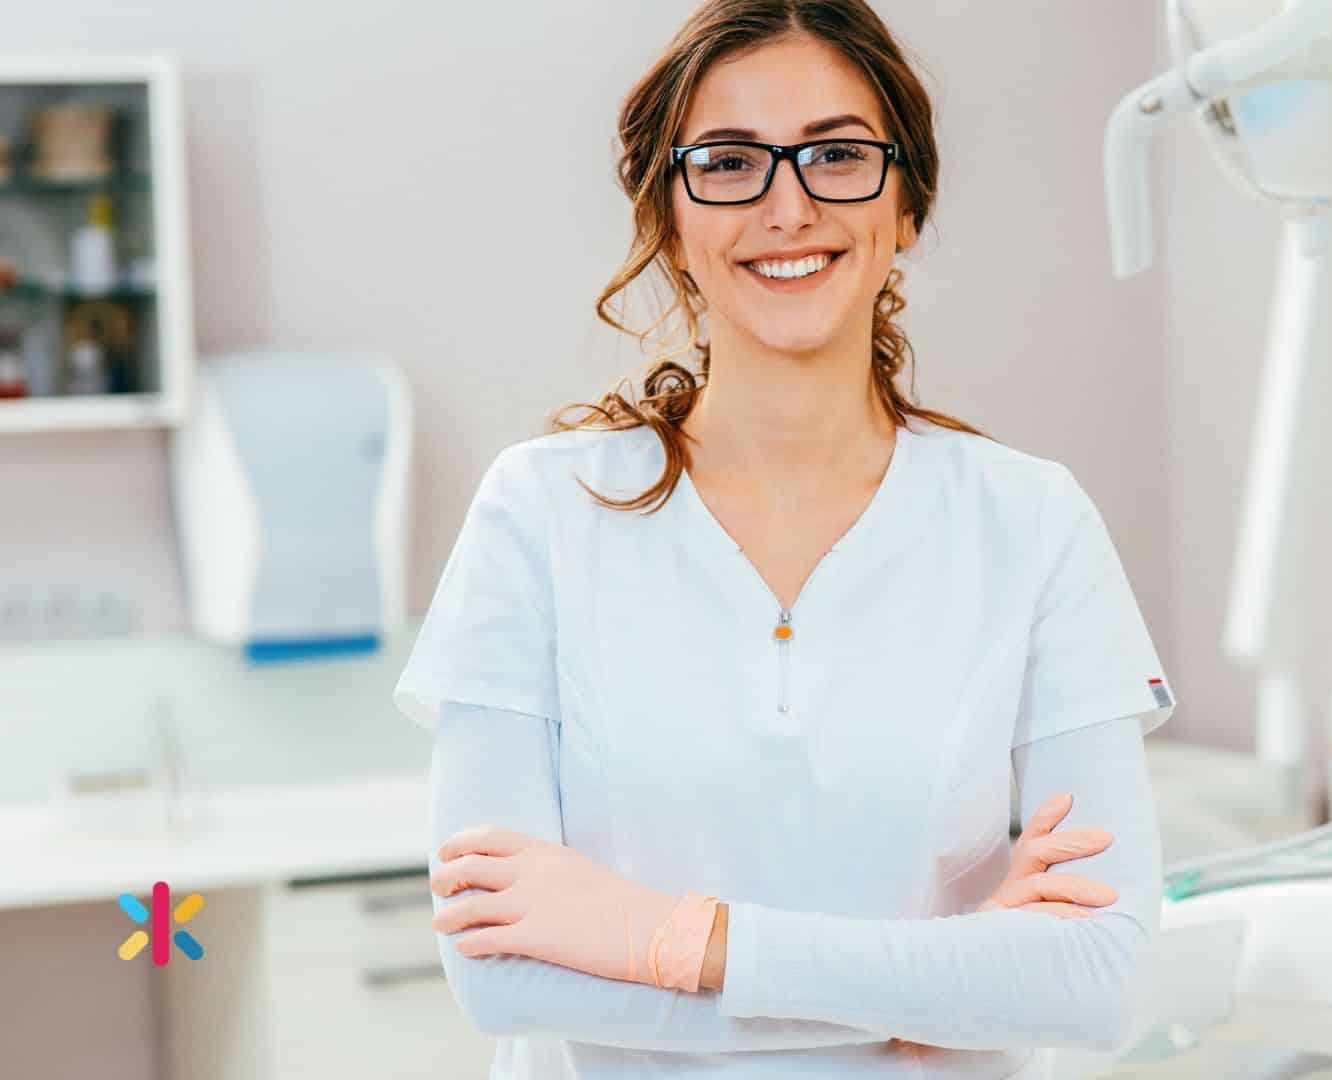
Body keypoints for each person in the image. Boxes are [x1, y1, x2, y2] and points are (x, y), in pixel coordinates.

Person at [395, 1, 1176, 1076]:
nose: (788, 205)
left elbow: (1098, 981)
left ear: (908, 201)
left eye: (837, 155)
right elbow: (501, 975)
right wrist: (946, 981)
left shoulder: (1032, 524)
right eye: (728, 162)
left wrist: (675, 939)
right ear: (668, 215)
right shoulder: (539, 514)